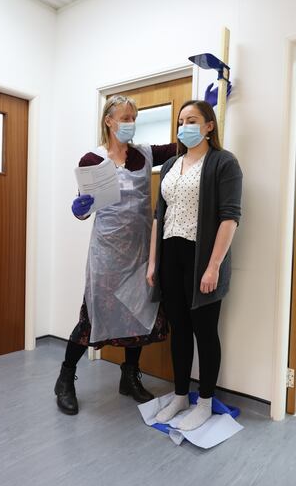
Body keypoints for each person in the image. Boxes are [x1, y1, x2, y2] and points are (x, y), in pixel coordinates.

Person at [54, 95, 178, 416]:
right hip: (107, 255)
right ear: (108, 120)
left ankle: (129, 378)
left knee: (137, 315)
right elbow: (85, 207)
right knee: (90, 318)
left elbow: (181, 147)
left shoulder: (144, 155)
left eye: (133, 118)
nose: (130, 124)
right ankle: (65, 380)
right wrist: (79, 208)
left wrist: (212, 108)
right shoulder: (92, 160)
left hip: (139, 254)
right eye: (124, 117)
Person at [146, 100, 242, 431]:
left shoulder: (223, 163)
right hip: (170, 255)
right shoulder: (172, 164)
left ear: (209, 126)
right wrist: (153, 261)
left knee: (205, 331)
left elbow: (230, 218)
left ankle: (204, 401)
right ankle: (180, 395)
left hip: (202, 258)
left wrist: (213, 266)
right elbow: (160, 215)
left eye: (192, 120)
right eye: (181, 121)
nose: (185, 126)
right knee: (180, 331)